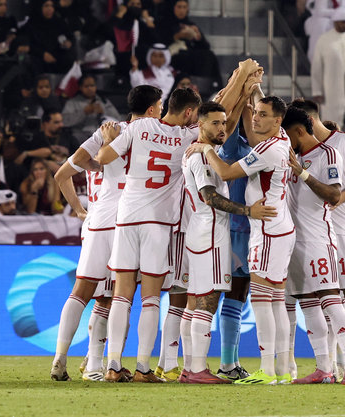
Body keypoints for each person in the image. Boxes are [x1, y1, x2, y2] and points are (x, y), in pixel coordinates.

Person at [49, 85, 163, 383]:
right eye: (160, 105)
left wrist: (79, 210)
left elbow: (68, 169)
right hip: (130, 218)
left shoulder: (108, 131)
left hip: (99, 218)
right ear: (153, 108)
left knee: (81, 290)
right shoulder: (161, 133)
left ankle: (60, 357)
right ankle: (99, 365)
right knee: (114, 298)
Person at [186, 96, 295, 385]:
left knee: (255, 299)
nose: (255, 118)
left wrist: (206, 148)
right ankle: (269, 367)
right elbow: (241, 120)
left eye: (261, 114)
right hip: (251, 227)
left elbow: (226, 170)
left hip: (257, 227)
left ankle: (262, 369)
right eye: (254, 113)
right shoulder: (263, 142)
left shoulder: (259, 149)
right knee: (259, 298)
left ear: (276, 120)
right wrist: (249, 89)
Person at [96, 86, 202, 383]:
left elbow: (103, 157)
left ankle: (113, 365)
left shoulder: (139, 126)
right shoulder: (187, 137)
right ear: (190, 112)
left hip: (127, 218)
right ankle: (143, 367)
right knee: (151, 297)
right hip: (158, 223)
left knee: (121, 294)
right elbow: (222, 125)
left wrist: (108, 140)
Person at [289, 97, 345, 384]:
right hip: (302, 235)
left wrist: (337, 200)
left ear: (307, 122)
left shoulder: (344, 144)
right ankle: (327, 367)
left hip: (342, 233)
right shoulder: (295, 152)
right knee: (312, 300)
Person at [280, 106, 345, 385]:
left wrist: (303, 174)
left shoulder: (328, 155)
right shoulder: (295, 158)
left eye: (288, 134)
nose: (286, 140)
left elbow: (334, 195)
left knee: (331, 301)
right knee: (309, 305)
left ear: (299, 131)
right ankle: (324, 369)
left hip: (319, 239)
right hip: (294, 243)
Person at [311, 7, 345, 125]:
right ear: (335, 22)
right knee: (332, 121)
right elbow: (317, 67)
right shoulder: (324, 39)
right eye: (342, 22)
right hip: (332, 89)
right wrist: (317, 90)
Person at [157, 0, 222, 91]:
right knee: (185, 56)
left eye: (184, 7)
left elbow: (205, 46)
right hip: (173, 56)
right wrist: (178, 36)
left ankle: (214, 87)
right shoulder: (165, 23)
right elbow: (160, 42)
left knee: (209, 55)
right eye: (179, 7)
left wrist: (198, 37)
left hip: (192, 55)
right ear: (173, 8)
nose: (182, 10)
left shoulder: (190, 24)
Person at [62, 74, 121, 145]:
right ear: (80, 87)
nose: (90, 88)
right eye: (86, 86)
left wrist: (103, 112)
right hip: (81, 135)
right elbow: (65, 122)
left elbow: (118, 119)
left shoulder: (103, 101)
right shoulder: (72, 102)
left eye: (92, 86)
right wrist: (84, 112)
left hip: (102, 135)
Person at [20, 0, 75, 74]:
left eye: (52, 6)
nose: (50, 9)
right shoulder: (31, 24)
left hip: (57, 57)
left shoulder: (59, 22)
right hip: (39, 57)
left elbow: (70, 36)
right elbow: (28, 45)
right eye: (46, 6)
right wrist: (43, 54)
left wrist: (69, 42)